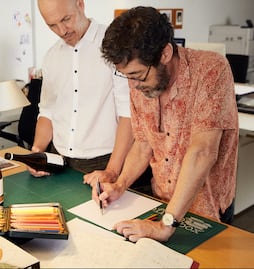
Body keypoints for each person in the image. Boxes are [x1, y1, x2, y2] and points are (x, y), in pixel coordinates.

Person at [94, 6, 238, 243]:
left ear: (165, 54)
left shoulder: (211, 70)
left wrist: (165, 226)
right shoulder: (138, 79)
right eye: (127, 76)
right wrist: (120, 185)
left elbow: (202, 151)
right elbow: (143, 145)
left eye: (138, 75)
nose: (133, 84)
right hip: (161, 200)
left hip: (208, 208)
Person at [31, 0, 132, 177]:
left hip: (106, 161)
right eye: (52, 25)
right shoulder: (51, 56)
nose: (62, 31)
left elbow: (128, 114)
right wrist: (37, 150)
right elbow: (47, 111)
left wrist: (112, 170)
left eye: (66, 19)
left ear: (80, 4)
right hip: (58, 158)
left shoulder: (116, 45)